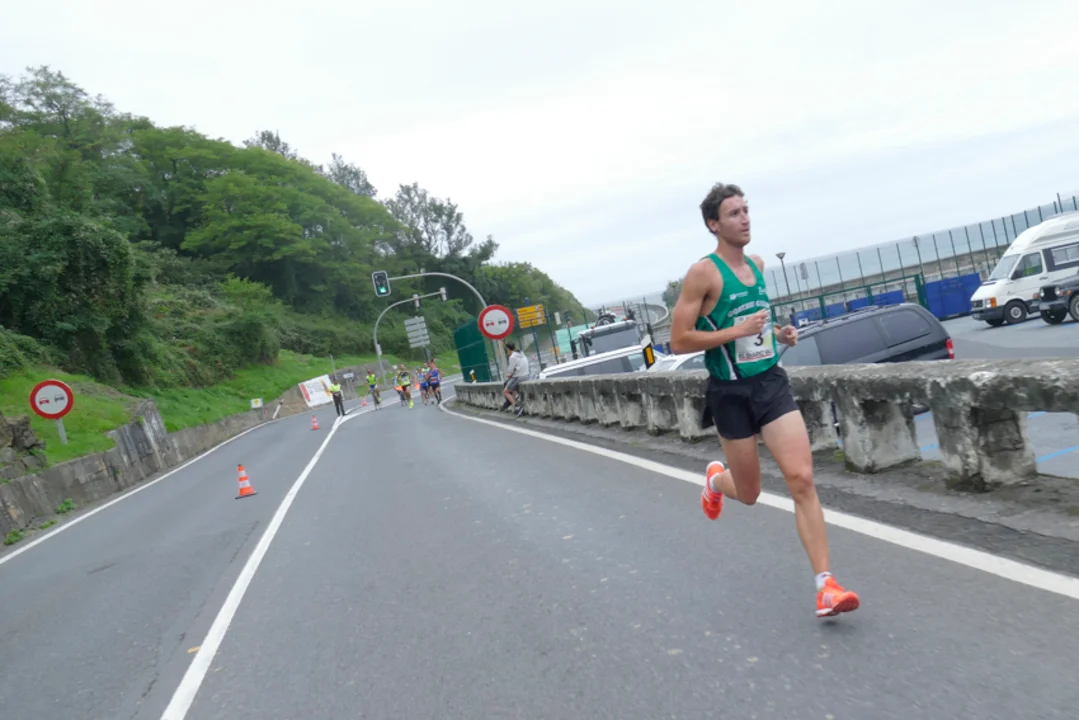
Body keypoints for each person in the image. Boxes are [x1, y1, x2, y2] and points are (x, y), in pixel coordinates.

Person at [669, 182, 860, 619]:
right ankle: (715, 481)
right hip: (730, 393)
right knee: (750, 493)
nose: (745, 219)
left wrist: (778, 334)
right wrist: (736, 332)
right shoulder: (703, 274)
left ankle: (826, 587)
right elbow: (679, 340)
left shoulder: (756, 265)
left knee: (802, 478)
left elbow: (756, 325)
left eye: (746, 210)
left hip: (770, 383)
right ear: (713, 225)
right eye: (734, 213)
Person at [500, 342, 528, 417]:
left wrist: (509, 374)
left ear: (508, 349)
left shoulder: (512, 357)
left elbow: (510, 371)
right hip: (526, 375)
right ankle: (512, 399)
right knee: (506, 383)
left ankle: (517, 407)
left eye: (507, 350)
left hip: (519, 377)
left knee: (505, 392)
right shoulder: (522, 353)